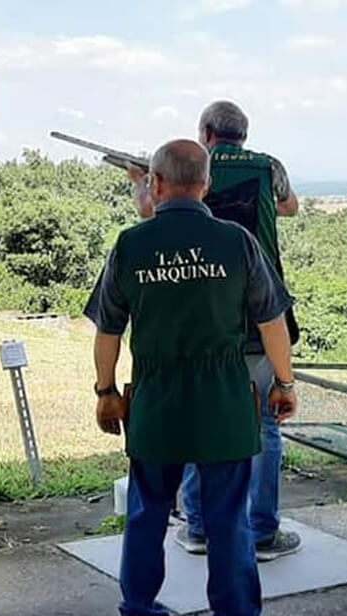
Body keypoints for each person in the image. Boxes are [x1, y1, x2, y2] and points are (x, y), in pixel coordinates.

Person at [86, 138, 299, 616]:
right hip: (222, 397)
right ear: (205, 184)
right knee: (228, 518)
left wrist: (106, 391)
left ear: (155, 183)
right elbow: (272, 322)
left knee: (147, 512)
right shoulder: (237, 241)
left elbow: (109, 329)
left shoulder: (130, 244)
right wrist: (284, 383)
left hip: (156, 397)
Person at [129, 100, 302, 562]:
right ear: (244, 133)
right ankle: (262, 530)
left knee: (197, 415)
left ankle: (199, 527)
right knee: (266, 423)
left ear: (205, 133)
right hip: (262, 321)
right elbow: (289, 207)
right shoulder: (268, 167)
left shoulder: (191, 169)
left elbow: (150, 215)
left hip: (206, 317)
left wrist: (140, 182)